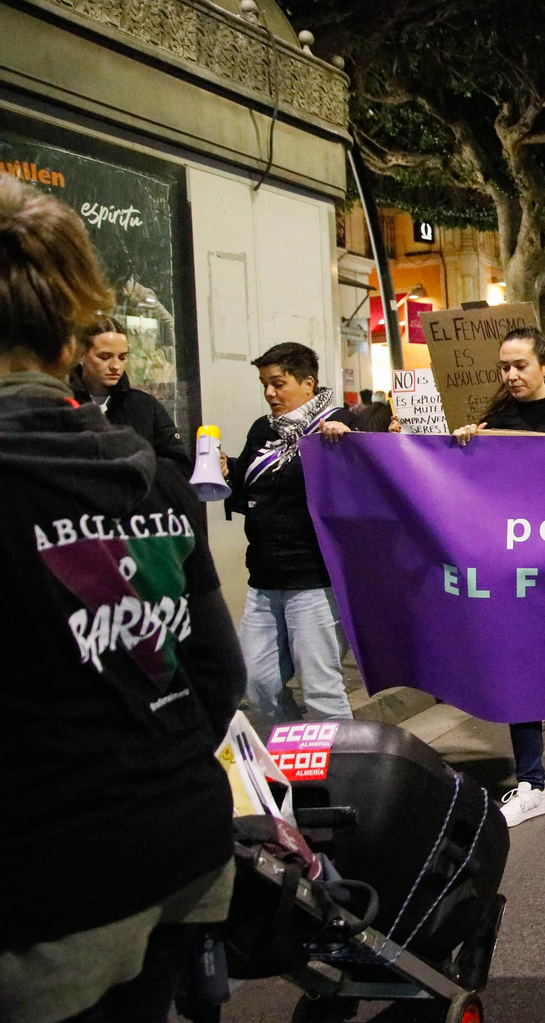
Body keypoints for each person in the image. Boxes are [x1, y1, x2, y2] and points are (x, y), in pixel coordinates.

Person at [0, 173, 246, 1023]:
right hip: (181, 846)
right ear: (70, 337)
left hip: (48, 900)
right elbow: (218, 676)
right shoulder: (149, 476)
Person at [453, 328, 545, 826]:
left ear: (544, 365)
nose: (511, 375)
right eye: (504, 367)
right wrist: (465, 449)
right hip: (518, 568)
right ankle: (531, 780)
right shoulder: (496, 422)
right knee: (521, 666)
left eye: (520, 365)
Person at [225, 342, 357, 727]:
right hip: (264, 576)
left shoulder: (337, 426)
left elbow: (364, 488)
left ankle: (343, 775)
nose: (269, 393)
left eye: (278, 384)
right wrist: (226, 470)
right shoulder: (262, 429)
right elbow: (252, 487)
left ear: (308, 384)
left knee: (320, 690)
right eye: (265, 384)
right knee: (256, 682)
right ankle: (291, 765)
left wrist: (348, 445)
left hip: (313, 579)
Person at [68, 314, 189, 466]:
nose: (115, 366)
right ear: (81, 354)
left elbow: (178, 465)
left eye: (122, 357)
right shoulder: (61, 404)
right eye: (105, 357)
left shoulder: (145, 407)